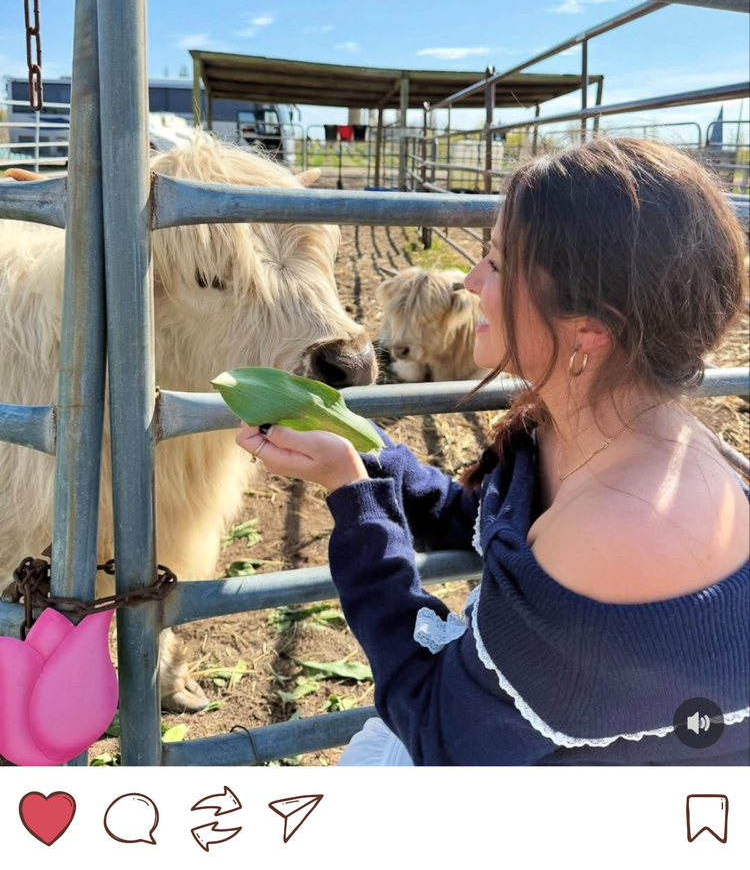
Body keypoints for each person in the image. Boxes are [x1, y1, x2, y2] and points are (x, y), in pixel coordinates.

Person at [236, 137, 750, 766]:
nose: (472, 281)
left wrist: (354, 500)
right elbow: (480, 520)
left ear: (589, 326)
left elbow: (439, 730)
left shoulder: (620, 526)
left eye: (499, 264)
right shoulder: (580, 429)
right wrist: (366, 455)